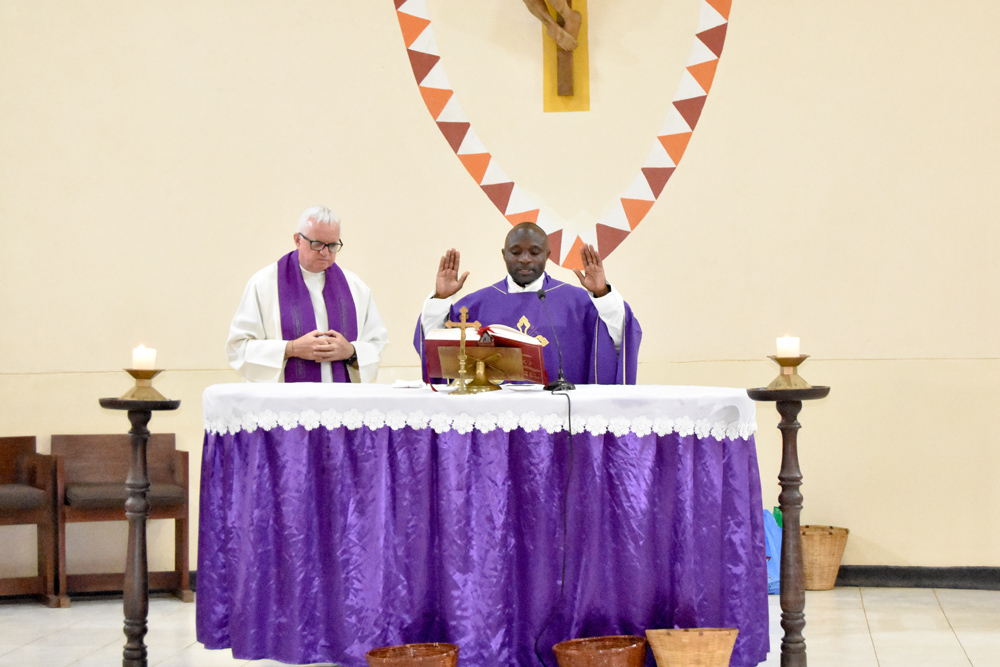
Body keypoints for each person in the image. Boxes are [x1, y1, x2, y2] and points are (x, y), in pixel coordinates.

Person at [414, 222, 640, 384]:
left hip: (561, 418)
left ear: (547, 255)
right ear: (504, 255)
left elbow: (621, 336)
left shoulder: (579, 303)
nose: (524, 259)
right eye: (516, 252)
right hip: (493, 421)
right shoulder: (474, 306)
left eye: (534, 252)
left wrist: (602, 294)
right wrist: (441, 299)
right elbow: (433, 348)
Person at [227, 206, 388, 383]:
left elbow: (377, 344)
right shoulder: (264, 284)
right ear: (297, 240)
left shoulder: (355, 287)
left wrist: (350, 352)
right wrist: (291, 349)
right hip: (283, 403)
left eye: (333, 245)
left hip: (341, 402)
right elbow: (239, 348)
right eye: (317, 244)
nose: (325, 252)